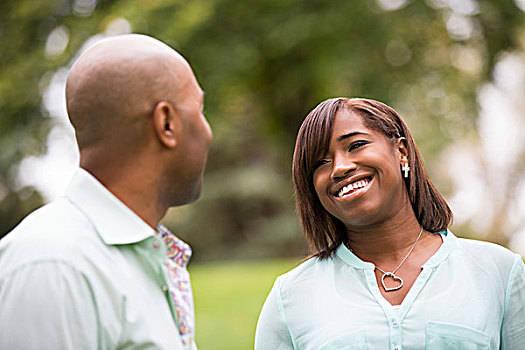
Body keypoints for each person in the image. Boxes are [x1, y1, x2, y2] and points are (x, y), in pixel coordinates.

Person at [255, 97, 525, 349]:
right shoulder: (290, 297)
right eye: (320, 163)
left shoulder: (499, 272)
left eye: (356, 145)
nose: (339, 167)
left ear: (402, 151)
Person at [0, 34, 212, 349]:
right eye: (199, 109)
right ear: (166, 123)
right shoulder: (53, 265)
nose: (208, 132)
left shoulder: (146, 257)